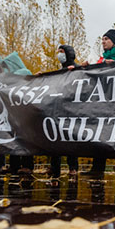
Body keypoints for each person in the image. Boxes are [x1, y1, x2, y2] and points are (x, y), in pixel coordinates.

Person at [85, 30, 115, 177]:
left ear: (114, 41)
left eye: (106, 39)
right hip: (101, 104)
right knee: (99, 136)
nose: (103, 41)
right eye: (102, 39)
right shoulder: (100, 60)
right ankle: (97, 168)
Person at [48, 45, 80, 178]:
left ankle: (73, 167)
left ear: (68, 54)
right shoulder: (60, 71)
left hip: (71, 110)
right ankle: (54, 168)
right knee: (55, 140)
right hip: (59, 109)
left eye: (61, 52)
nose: (59, 55)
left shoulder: (76, 68)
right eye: (58, 52)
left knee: (70, 140)